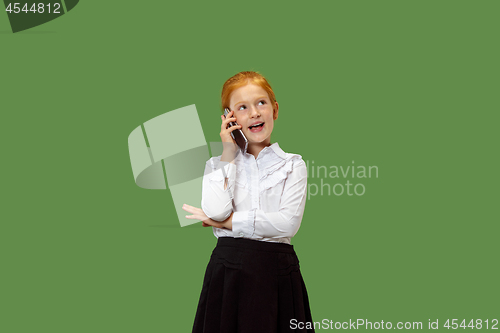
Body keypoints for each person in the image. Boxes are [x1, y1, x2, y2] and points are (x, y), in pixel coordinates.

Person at [182, 71, 314, 333]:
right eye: (242, 107)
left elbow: (287, 224)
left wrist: (228, 222)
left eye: (261, 103)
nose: (254, 112)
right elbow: (216, 209)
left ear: (275, 110)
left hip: (277, 272)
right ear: (229, 118)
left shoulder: (292, 165)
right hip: (228, 272)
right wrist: (228, 152)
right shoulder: (216, 165)